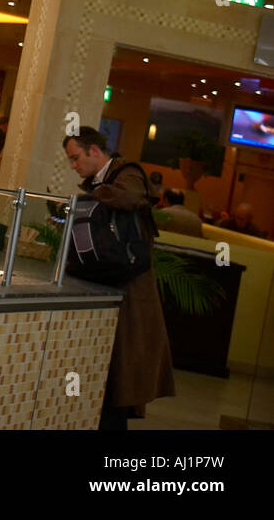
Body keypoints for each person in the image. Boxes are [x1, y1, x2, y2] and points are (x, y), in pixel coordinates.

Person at [63, 126, 174, 430]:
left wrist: (87, 197)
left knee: (120, 376)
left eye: (76, 158)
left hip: (132, 286)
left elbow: (129, 197)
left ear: (95, 151)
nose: (74, 166)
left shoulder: (127, 174)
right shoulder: (102, 181)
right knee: (112, 377)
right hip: (115, 282)